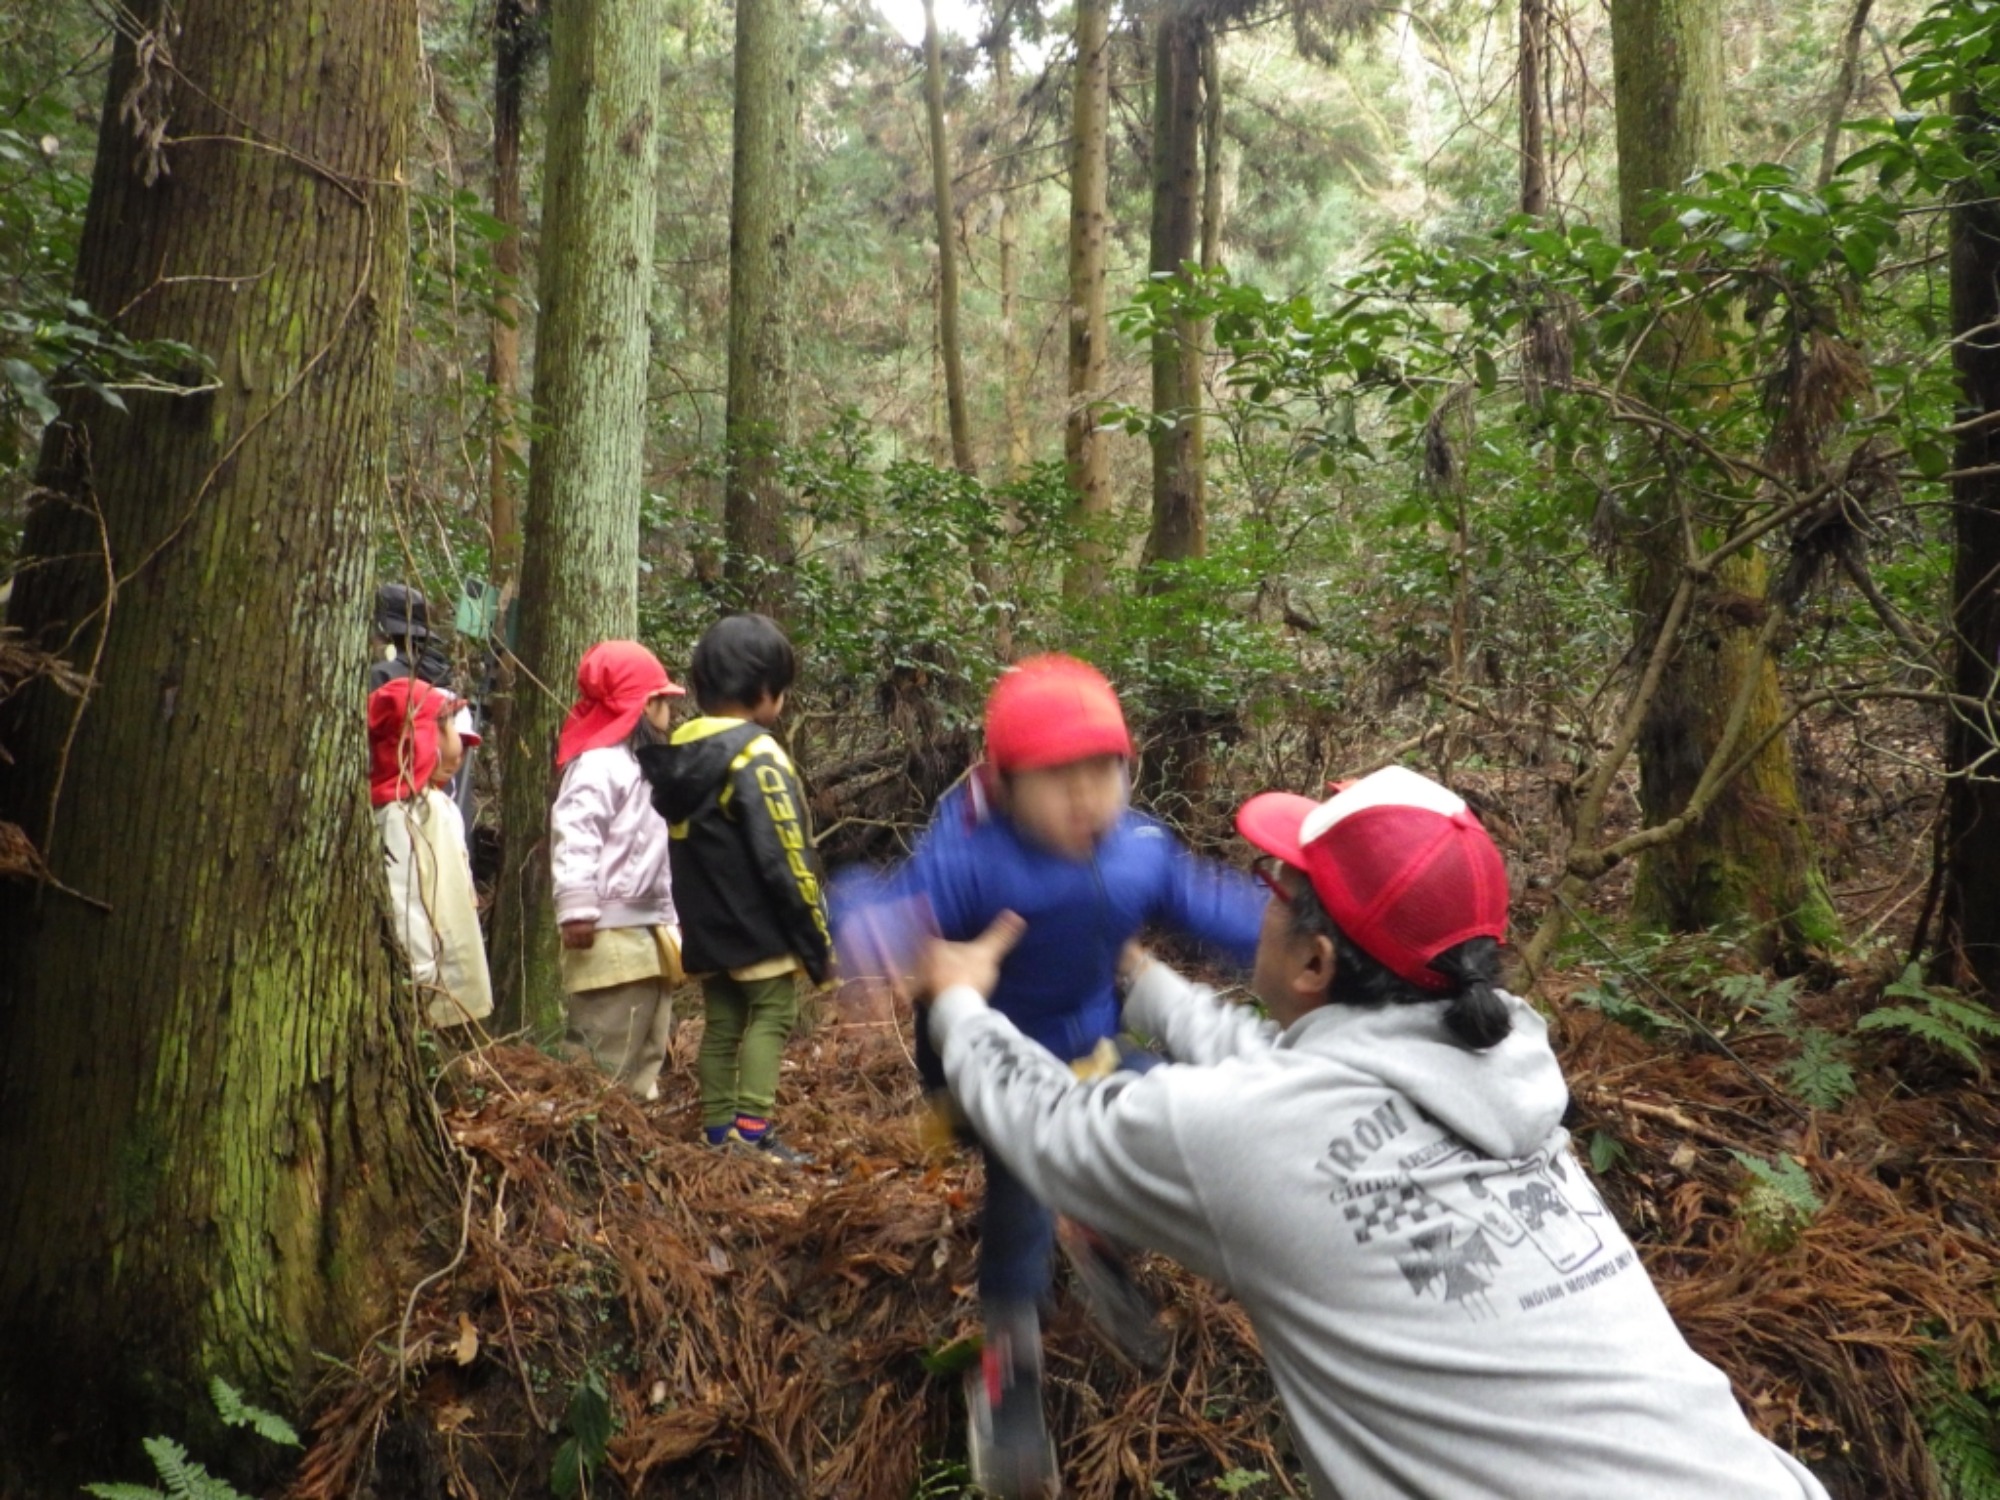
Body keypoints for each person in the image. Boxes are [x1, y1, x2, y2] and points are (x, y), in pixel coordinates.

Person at [916, 765, 1832, 1500]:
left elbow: (1047, 1125)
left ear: (1316, 960)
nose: (1260, 899)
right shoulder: (1500, 1074)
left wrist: (958, 1001)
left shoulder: (1252, 1134)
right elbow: (1282, 1076)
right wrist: (1140, 978)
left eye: (1276, 885)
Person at [837, 653, 1264, 1498]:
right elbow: (885, 898)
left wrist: (1312, 931)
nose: (1085, 799)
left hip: (1093, 1053)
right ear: (1004, 786)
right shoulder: (974, 855)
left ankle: (1101, 1223)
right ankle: (1009, 1366)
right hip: (986, 1076)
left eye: (1102, 773)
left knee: (1171, 1112)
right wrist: (869, 929)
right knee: (1024, 1188)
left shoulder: (1140, 850)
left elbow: (1216, 906)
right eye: (1057, 779)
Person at [638, 613, 832, 1163]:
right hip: (756, 922)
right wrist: (815, 936)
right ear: (765, 691)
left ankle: (718, 1128)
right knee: (773, 1014)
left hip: (703, 922)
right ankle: (752, 1130)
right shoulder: (757, 755)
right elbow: (784, 852)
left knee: (723, 1023)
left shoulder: (680, 751)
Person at [550, 640, 686, 1100]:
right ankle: (587, 1127)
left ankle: (633, 1124)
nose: (669, 712)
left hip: (647, 929)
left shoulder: (640, 765)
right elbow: (576, 832)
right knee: (602, 1051)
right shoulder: (599, 763)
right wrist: (576, 909)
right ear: (645, 706)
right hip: (607, 932)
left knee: (648, 1045)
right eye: (663, 700)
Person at [369, 676, 494, 1033]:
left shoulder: (433, 806)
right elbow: (403, 897)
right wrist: (420, 975)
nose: (460, 746)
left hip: (451, 980)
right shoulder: (403, 815)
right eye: (450, 726)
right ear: (424, 736)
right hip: (433, 986)